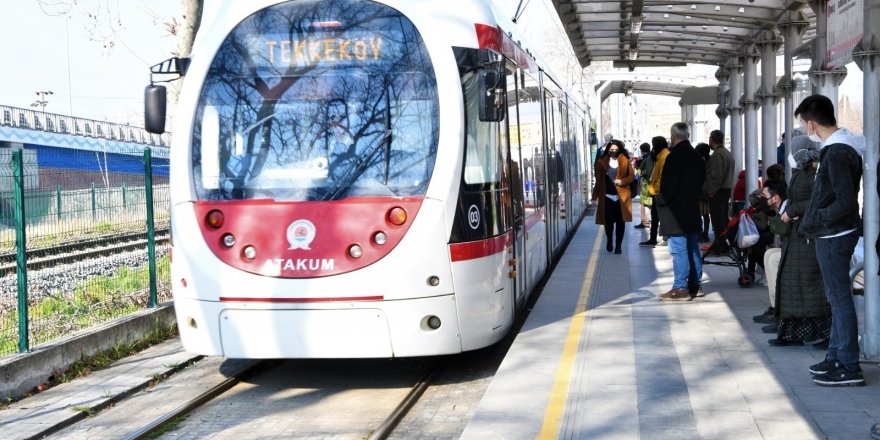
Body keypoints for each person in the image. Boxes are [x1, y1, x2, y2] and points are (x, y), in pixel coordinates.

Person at [795, 94, 866, 387]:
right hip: (835, 233)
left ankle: (848, 364)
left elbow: (845, 201)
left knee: (839, 300)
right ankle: (836, 355)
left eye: (803, 124)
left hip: (835, 235)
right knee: (837, 300)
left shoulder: (836, 152)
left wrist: (818, 218)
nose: (804, 129)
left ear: (811, 124)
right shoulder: (841, 146)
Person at [761, 137, 831, 348]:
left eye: (794, 151)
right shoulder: (802, 171)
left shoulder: (814, 174)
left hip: (806, 236)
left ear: (802, 152)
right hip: (798, 235)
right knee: (795, 283)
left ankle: (821, 333)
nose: (790, 156)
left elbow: (817, 199)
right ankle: (793, 332)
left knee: (807, 284)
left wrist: (792, 211)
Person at [658, 123, 706, 301]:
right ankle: (695, 285)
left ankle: (680, 287)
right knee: (693, 248)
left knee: (678, 249)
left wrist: (661, 200)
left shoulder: (674, 157)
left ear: (672, 137)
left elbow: (668, 187)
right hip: (692, 210)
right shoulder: (696, 157)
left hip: (676, 213)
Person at [592, 140, 634, 254]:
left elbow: (631, 177)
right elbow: (599, 180)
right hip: (607, 196)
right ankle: (609, 240)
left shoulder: (625, 161)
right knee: (608, 222)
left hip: (622, 197)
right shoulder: (602, 162)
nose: (614, 152)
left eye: (616, 149)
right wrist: (594, 196)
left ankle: (618, 245)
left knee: (621, 222)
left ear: (620, 149)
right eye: (611, 150)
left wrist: (622, 181)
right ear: (608, 150)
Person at [702, 130, 734, 245]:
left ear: (712, 140)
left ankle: (720, 244)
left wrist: (711, 191)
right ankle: (724, 243)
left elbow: (716, 176)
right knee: (723, 218)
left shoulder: (717, 155)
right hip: (725, 190)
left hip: (718, 192)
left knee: (717, 220)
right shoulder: (726, 153)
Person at [640, 136, 669, 248]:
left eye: (654, 144)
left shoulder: (664, 156)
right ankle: (653, 238)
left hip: (659, 192)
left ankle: (660, 238)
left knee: (658, 216)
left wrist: (655, 189)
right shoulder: (661, 155)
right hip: (656, 192)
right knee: (655, 216)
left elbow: (662, 176)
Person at [695, 143, 712, 242]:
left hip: (700, 192)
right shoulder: (710, 161)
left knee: (698, 214)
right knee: (706, 215)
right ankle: (705, 234)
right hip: (708, 191)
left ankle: (700, 234)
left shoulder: (698, 162)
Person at [634, 142, 653, 229]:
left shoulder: (646, 158)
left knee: (643, 204)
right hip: (652, 185)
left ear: (641, 150)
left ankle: (644, 222)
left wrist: (639, 170)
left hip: (646, 185)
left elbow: (640, 172)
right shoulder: (653, 156)